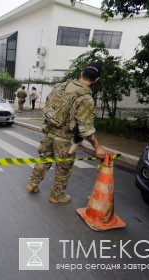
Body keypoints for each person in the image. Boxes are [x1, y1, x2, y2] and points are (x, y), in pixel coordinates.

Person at [26, 62, 106, 203]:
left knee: (44, 159)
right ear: (97, 79)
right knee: (63, 167)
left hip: (49, 132)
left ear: (81, 73)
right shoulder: (86, 98)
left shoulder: (61, 86)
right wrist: (97, 147)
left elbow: (49, 104)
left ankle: (32, 184)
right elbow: (85, 127)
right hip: (65, 139)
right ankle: (56, 196)